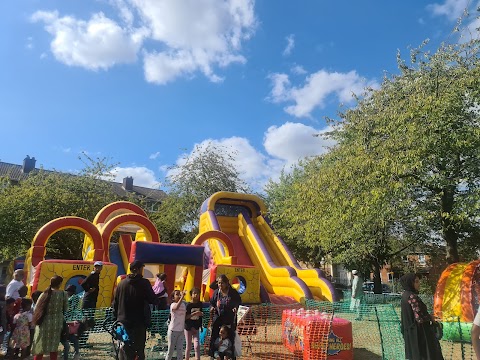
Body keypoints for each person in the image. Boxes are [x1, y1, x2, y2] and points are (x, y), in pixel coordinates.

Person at [113, 260, 157, 360]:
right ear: (138, 269)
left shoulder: (121, 284)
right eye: (142, 268)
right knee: (139, 350)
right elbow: (152, 299)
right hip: (139, 323)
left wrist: (114, 321)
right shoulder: (144, 283)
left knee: (124, 348)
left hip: (122, 322)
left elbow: (114, 304)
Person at [400, 273, 444, 360]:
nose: (418, 284)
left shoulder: (404, 296)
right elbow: (419, 318)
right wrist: (430, 318)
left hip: (410, 334)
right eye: (416, 282)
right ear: (410, 283)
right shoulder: (412, 297)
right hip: (420, 334)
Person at [31, 275, 68, 360]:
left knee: (40, 346)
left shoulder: (44, 294)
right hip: (57, 323)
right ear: (59, 283)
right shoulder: (63, 294)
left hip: (43, 322)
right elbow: (66, 308)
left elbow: (36, 308)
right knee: (54, 347)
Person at [208, 274, 241, 359]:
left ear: (227, 283)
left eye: (222, 283)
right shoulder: (216, 292)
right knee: (215, 335)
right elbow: (212, 302)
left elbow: (238, 302)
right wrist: (212, 307)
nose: (220, 285)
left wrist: (235, 308)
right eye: (219, 283)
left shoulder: (233, 293)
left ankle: (231, 355)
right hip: (218, 318)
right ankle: (214, 355)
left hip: (229, 318)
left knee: (230, 336)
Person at [165, 290, 186, 360]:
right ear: (173, 298)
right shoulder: (173, 305)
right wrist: (182, 297)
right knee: (170, 350)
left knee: (180, 351)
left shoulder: (183, 305)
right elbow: (176, 307)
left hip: (181, 330)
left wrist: (194, 314)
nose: (179, 295)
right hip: (173, 330)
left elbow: (184, 317)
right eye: (177, 294)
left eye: (180, 294)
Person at [185, 287, 203, 360]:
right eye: (194, 293)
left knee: (197, 345)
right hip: (188, 327)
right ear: (191, 295)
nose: (196, 295)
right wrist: (194, 313)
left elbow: (200, 316)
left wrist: (201, 326)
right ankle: (187, 358)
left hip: (196, 327)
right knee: (189, 346)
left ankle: (197, 358)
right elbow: (186, 317)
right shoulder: (188, 305)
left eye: (197, 293)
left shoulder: (200, 304)